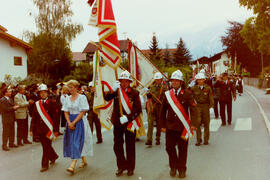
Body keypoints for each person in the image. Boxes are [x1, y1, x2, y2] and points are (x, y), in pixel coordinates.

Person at [104, 71, 142, 177]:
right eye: (122, 81)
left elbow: (138, 109)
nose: (124, 83)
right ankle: (121, 166)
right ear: (119, 81)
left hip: (129, 123)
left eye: (126, 81)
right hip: (118, 122)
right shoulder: (116, 91)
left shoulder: (134, 93)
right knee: (117, 146)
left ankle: (130, 167)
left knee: (130, 146)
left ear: (130, 82)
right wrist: (113, 89)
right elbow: (107, 98)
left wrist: (128, 118)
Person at [160, 70, 197, 178]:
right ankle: (173, 166)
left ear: (181, 82)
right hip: (170, 126)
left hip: (183, 127)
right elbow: (162, 111)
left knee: (182, 149)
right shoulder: (167, 94)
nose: (174, 82)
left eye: (177, 81)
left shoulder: (187, 94)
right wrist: (162, 125)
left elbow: (193, 109)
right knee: (169, 147)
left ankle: (182, 169)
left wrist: (193, 124)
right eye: (173, 81)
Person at [62, 80, 93, 174]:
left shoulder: (82, 97)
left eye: (71, 87)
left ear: (76, 88)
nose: (70, 89)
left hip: (79, 121)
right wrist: (69, 122)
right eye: (69, 87)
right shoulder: (67, 98)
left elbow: (82, 112)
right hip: (70, 121)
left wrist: (74, 122)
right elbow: (65, 111)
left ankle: (72, 165)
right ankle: (83, 160)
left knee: (77, 142)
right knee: (73, 142)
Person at [30, 84, 59, 172]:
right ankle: (53, 156)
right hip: (40, 129)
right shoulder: (37, 104)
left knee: (45, 147)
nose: (43, 94)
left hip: (49, 129)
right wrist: (31, 129)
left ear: (47, 93)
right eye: (41, 93)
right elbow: (34, 117)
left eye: (44, 92)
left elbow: (56, 118)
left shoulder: (52, 103)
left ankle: (44, 165)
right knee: (45, 145)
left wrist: (56, 130)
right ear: (39, 94)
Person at [191, 73, 214, 146]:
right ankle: (198, 139)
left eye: (201, 79)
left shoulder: (208, 88)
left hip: (206, 106)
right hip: (197, 106)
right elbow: (190, 96)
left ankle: (206, 139)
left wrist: (212, 107)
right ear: (197, 80)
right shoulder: (194, 88)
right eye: (198, 80)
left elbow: (211, 98)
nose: (200, 81)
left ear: (204, 80)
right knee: (197, 123)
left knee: (206, 123)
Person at [145, 72, 167, 146]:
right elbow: (149, 97)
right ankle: (149, 139)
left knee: (158, 123)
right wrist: (147, 93)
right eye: (156, 79)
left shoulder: (164, 88)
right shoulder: (152, 87)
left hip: (160, 107)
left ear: (161, 80)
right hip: (152, 106)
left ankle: (158, 138)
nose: (157, 81)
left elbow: (166, 98)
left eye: (158, 79)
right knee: (150, 123)